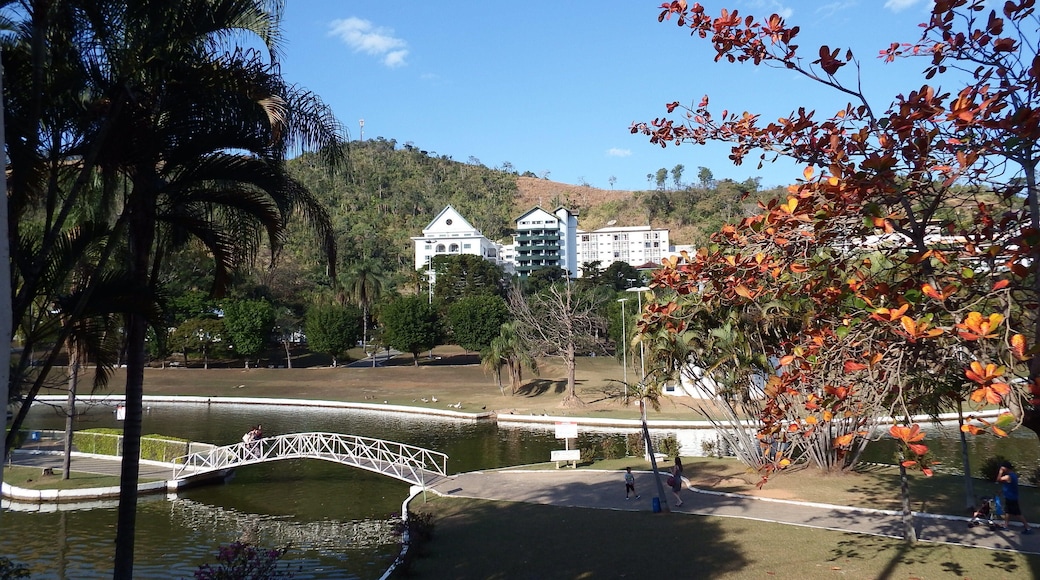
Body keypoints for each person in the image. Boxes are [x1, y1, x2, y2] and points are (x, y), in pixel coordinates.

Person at [997, 461, 1032, 534]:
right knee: (1008, 511)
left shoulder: (1009, 476)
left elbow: (998, 479)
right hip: (1010, 497)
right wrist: (1001, 491)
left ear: (1005, 468)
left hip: (1011, 498)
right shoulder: (1013, 475)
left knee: (1017, 513)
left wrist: (1000, 472)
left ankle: (1028, 528)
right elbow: (1008, 486)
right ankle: (1005, 526)